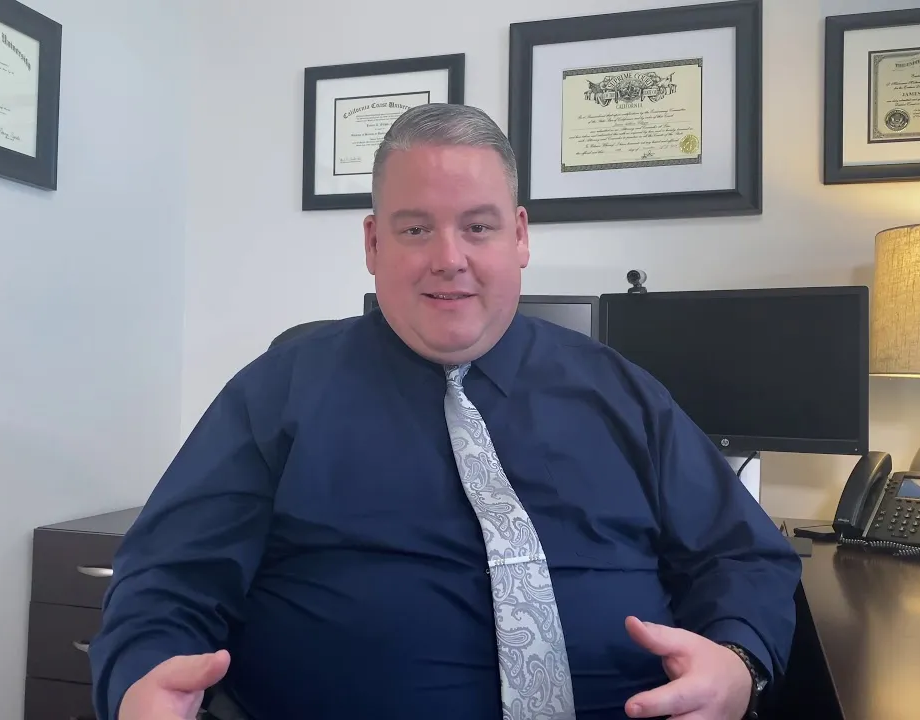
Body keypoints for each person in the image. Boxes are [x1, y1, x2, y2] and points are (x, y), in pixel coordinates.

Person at [89, 103, 801, 720]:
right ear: (373, 243)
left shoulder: (620, 392)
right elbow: (166, 581)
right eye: (415, 229)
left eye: (479, 227)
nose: (449, 258)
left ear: (520, 236)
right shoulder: (277, 393)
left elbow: (741, 552)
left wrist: (737, 664)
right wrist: (141, 683)